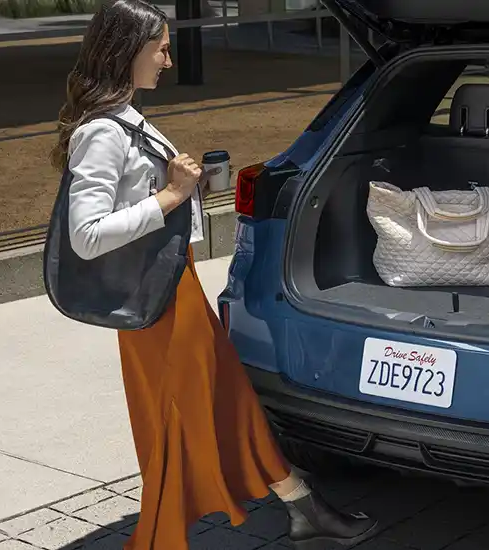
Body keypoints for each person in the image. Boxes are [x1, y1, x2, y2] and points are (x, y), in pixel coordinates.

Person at [47, 2, 378, 549]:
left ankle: (301, 504)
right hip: (152, 304)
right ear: (128, 50)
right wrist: (171, 194)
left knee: (227, 398)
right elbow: (85, 235)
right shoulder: (101, 133)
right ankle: (168, 537)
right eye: (161, 49)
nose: (169, 61)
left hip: (175, 289)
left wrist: (184, 191)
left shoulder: (127, 120)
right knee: (179, 419)